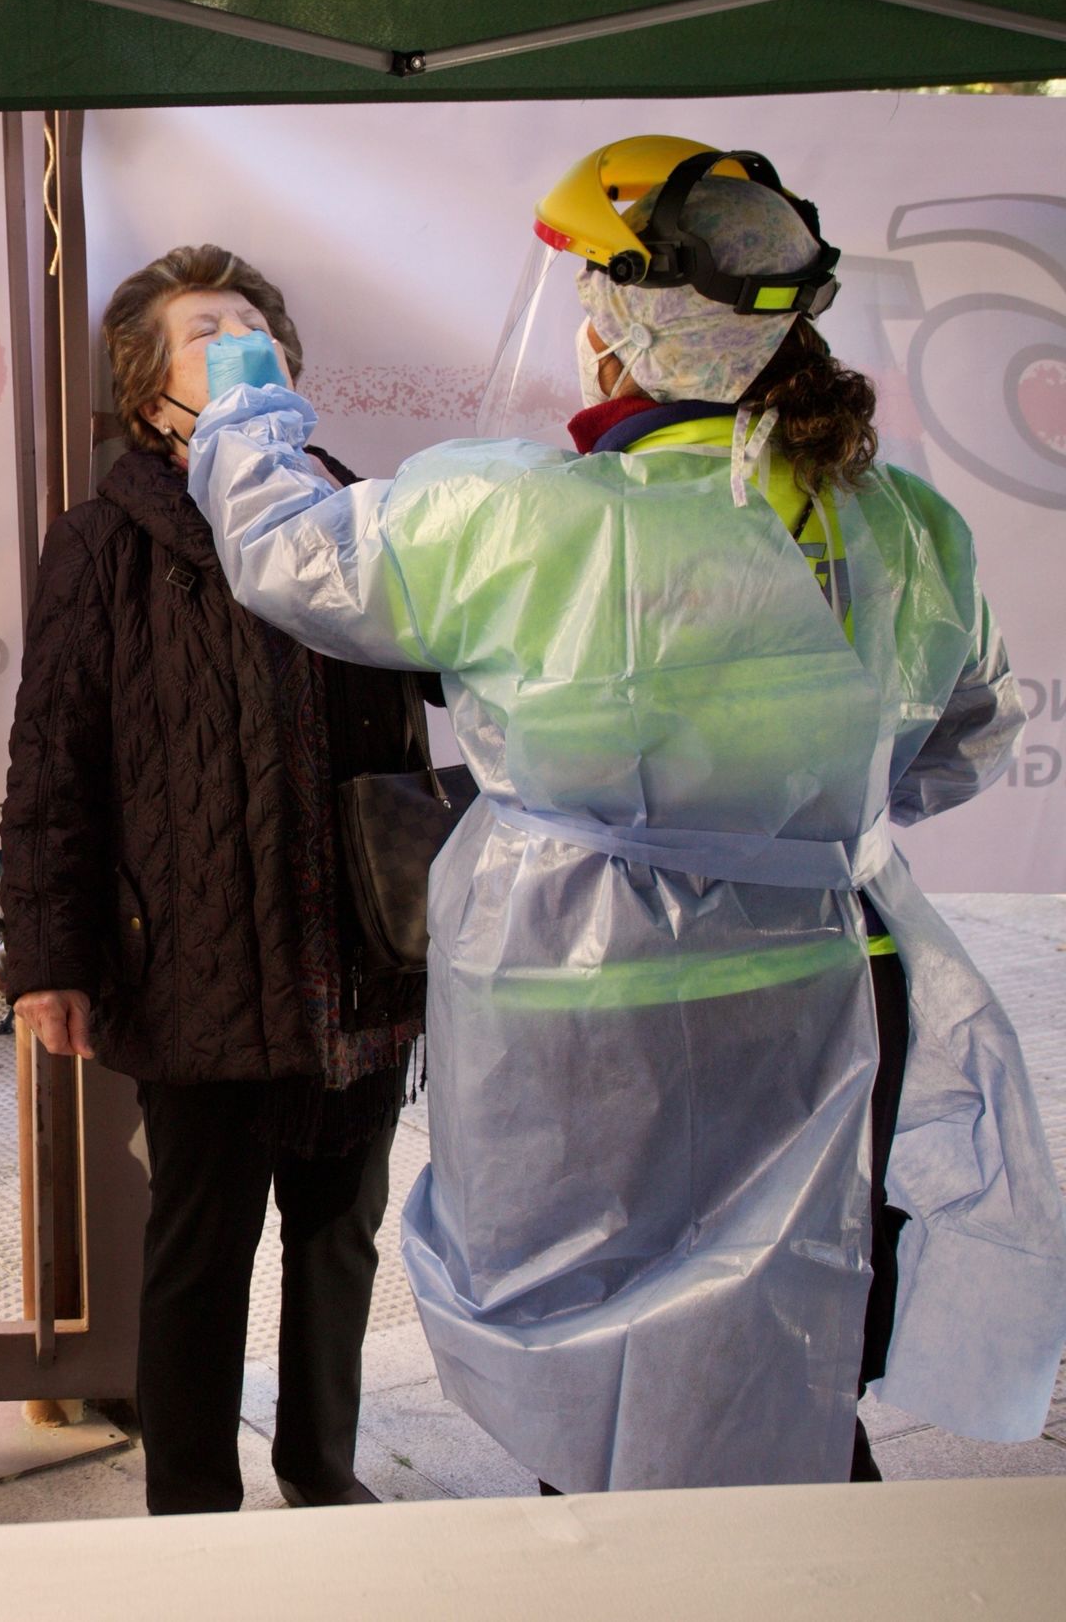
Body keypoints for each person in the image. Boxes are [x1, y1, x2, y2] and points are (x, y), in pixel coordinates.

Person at [183, 138, 1066, 1492]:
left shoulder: (518, 515)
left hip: (595, 1015)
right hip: (833, 995)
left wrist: (245, 401)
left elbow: (292, 552)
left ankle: (640, 1570)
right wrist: (793, 818)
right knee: (800, 1342)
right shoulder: (899, 522)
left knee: (598, 1377)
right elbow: (967, 729)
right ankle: (822, 1567)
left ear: (616, 330)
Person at [1, 246, 424, 1515]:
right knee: (199, 1249)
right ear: (150, 396)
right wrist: (50, 959)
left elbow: (444, 668)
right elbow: (52, 763)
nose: (242, 338)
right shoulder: (104, 543)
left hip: (356, 961)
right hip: (197, 965)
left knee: (339, 1237)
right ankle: (191, 1504)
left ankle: (320, 1466)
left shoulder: (354, 512)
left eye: (255, 324)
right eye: (208, 329)